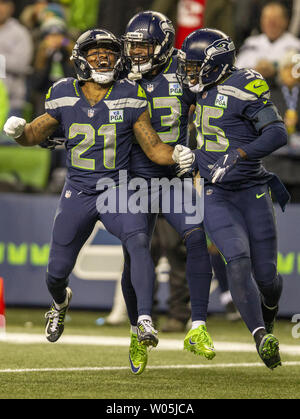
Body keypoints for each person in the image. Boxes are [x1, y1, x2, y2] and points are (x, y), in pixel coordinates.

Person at [3, 28, 193, 361]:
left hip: (115, 188)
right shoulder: (64, 92)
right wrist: (20, 132)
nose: (102, 57)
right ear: (80, 59)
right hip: (77, 191)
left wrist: (175, 154)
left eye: (108, 51)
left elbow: (153, 148)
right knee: (55, 272)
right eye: (94, 52)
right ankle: (60, 302)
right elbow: (35, 133)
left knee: (138, 241)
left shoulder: (129, 94)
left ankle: (144, 320)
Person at [177, 28, 290, 369]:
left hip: (252, 188)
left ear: (217, 63)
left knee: (268, 278)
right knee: (236, 258)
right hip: (215, 191)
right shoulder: (190, 89)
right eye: (188, 65)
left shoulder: (243, 84)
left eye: (197, 66)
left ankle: (267, 319)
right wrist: (190, 156)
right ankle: (260, 336)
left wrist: (239, 153)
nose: (190, 72)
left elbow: (277, 132)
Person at [121, 10, 215, 374]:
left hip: (174, 174)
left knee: (195, 238)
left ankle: (198, 326)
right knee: (135, 254)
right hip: (133, 178)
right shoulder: (117, 73)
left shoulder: (184, 69)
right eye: (133, 47)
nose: (137, 54)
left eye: (144, 47)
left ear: (161, 46)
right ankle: (136, 328)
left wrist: (201, 154)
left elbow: (209, 105)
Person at [235, 2, 300, 83]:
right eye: (267, 18)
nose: (271, 23)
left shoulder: (296, 45)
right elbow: (235, 73)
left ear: (285, 21)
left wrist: (276, 72)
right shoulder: (250, 44)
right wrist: (255, 71)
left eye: (276, 19)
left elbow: (296, 76)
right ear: (261, 21)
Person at [0, 0, 33, 117]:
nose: (0, 8)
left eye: (3, 4)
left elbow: (21, 64)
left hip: (11, 104)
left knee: (6, 136)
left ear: (11, 8)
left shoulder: (20, 32)